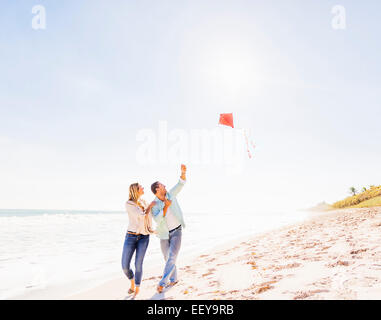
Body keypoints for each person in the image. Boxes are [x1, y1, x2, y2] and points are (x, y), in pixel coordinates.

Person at [151, 164, 187, 293]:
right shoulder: (154, 205)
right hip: (163, 235)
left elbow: (180, 184)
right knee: (168, 258)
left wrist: (183, 173)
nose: (165, 186)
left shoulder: (171, 194)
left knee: (171, 257)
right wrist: (165, 207)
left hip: (177, 231)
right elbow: (158, 219)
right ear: (157, 189)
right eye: (162, 185)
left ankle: (162, 283)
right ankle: (174, 279)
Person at [121, 183, 155, 298]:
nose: (143, 188)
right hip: (130, 237)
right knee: (125, 265)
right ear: (136, 190)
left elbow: (149, 217)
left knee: (138, 264)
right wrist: (149, 207)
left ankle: (137, 287)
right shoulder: (129, 204)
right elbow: (141, 215)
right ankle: (132, 280)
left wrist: (153, 229)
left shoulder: (144, 202)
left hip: (144, 237)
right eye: (141, 187)